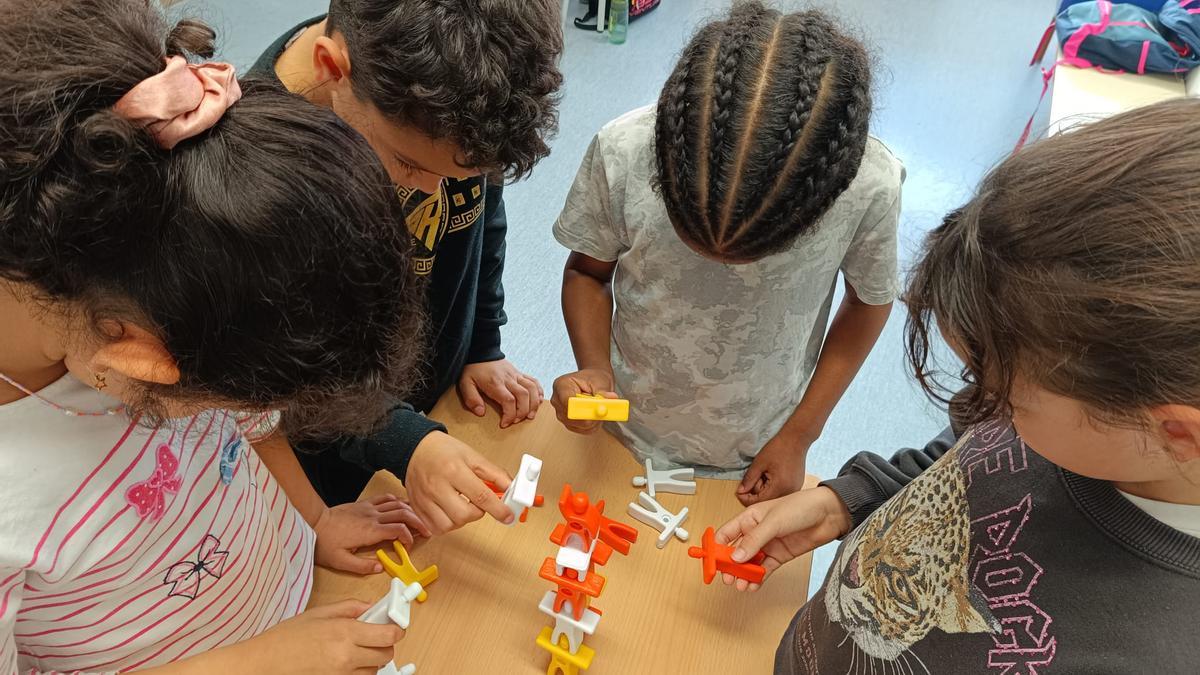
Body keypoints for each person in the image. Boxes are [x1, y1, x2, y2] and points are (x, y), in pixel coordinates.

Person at [0, 1, 496, 671]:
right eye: (221, 405)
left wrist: (314, 519)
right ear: (139, 359)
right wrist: (258, 662)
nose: (239, 417)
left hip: (291, 600)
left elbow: (253, 428)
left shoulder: (167, 280)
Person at [715, 99, 1200, 674]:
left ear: (1178, 431)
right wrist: (848, 501)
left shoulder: (1159, 650)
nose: (978, 406)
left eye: (1006, 398)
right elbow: (972, 454)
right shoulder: (1090, 412)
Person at [550, 2, 902, 504]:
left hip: (759, 444)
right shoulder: (624, 151)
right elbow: (587, 272)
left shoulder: (869, 186)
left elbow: (869, 302)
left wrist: (799, 436)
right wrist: (593, 369)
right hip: (626, 431)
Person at [251, 0, 564, 525]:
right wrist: (401, 442)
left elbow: (482, 217)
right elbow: (283, 374)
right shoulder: (257, 184)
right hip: (330, 452)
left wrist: (482, 344)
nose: (435, 190)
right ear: (331, 68)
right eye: (409, 165)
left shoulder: (451, 117)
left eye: (462, 175)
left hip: (426, 399)